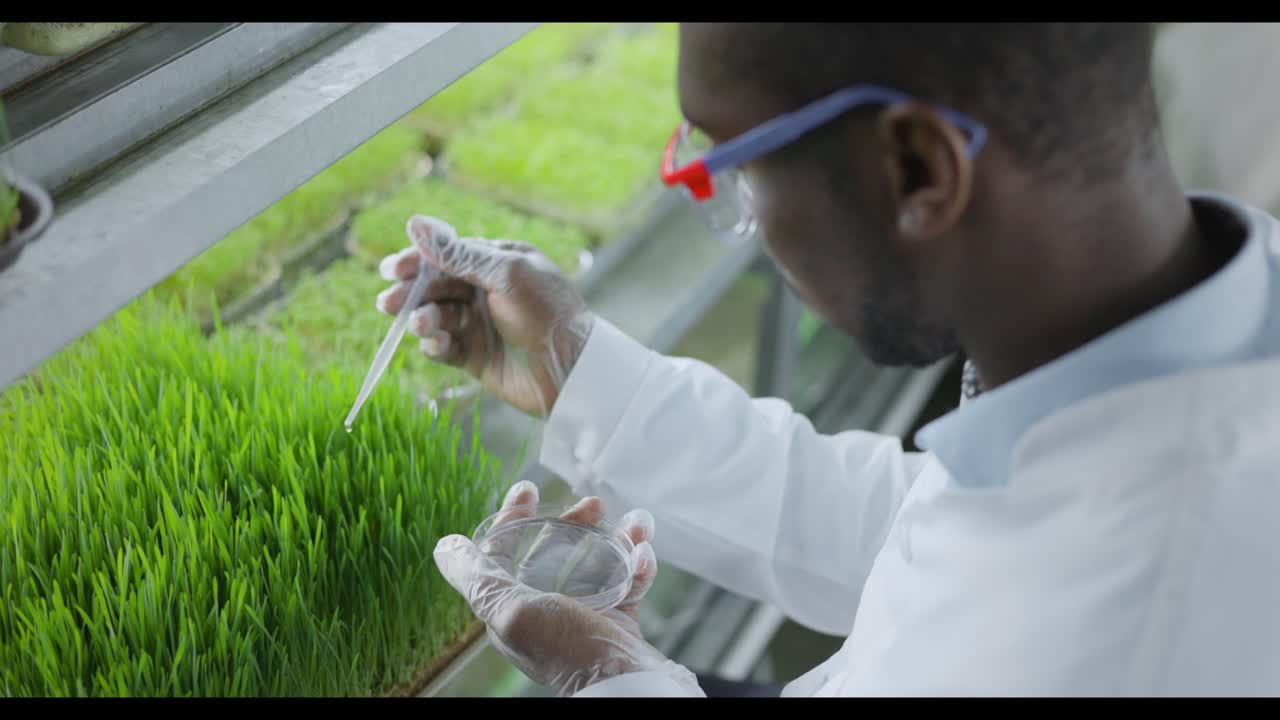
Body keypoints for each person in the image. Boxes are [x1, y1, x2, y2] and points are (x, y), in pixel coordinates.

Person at [375, 23, 1280, 696]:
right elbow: (929, 536)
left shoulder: (1134, 636)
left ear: (918, 169)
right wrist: (585, 375)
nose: (745, 219)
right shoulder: (1148, 344)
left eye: (738, 173)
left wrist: (615, 681)